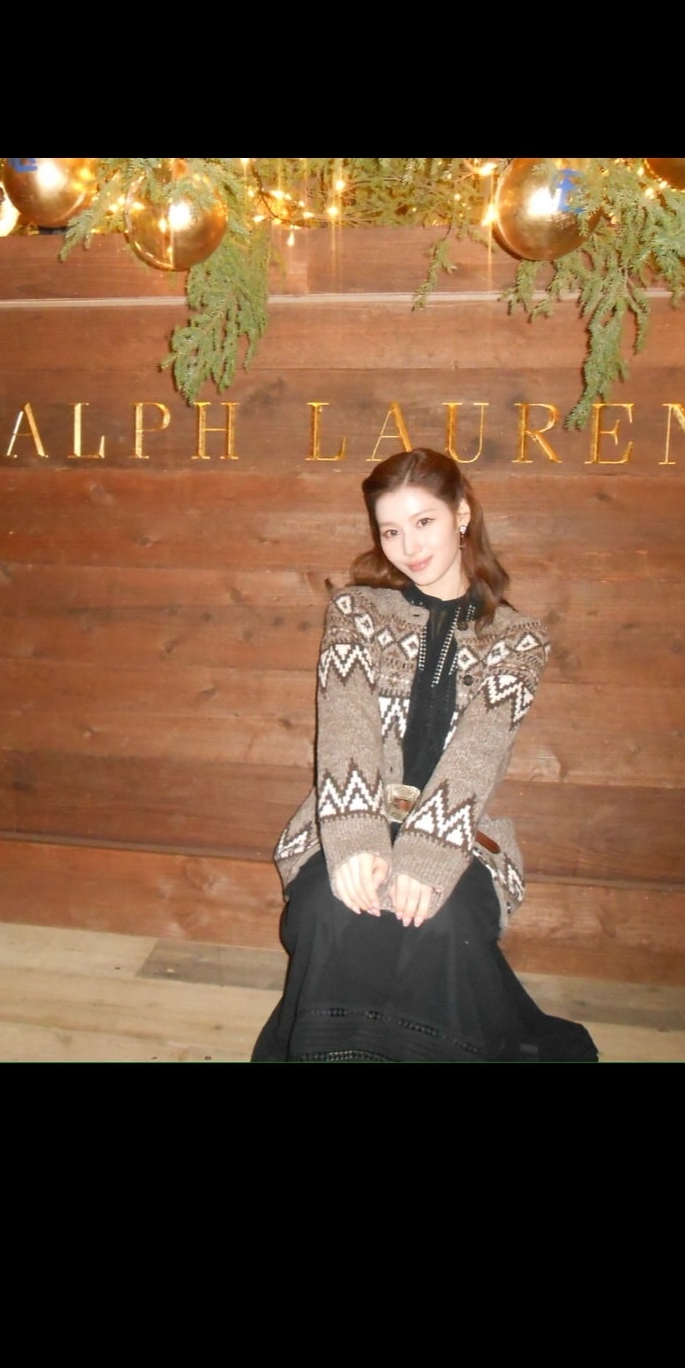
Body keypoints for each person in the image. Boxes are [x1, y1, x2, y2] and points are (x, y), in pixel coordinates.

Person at [252, 448, 597, 1062]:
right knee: (330, 909)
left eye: (423, 522)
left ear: (461, 514)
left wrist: (427, 854)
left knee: (443, 921)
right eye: (390, 531)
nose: (408, 546)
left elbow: (479, 754)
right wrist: (356, 841)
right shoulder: (355, 611)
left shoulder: (519, 638)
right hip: (348, 814)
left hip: (461, 832)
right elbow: (345, 728)